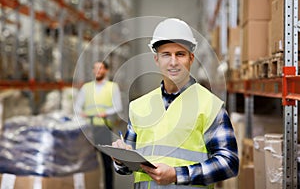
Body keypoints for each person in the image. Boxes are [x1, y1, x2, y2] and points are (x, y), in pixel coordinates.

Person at [112, 18, 239, 188]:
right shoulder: (139, 106)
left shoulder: (209, 106)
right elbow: (127, 168)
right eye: (166, 55)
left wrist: (177, 175)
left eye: (180, 54)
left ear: (191, 58)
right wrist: (121, 160)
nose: (173, 62)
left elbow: (229, 164)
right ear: (156, 59)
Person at [75, 61, 122, 189]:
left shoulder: (113, 87)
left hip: (104, 129)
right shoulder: (86, 87)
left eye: (100, 69)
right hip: (88, 129)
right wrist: (81, 113)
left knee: (106, 162)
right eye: (95, 68)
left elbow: (118, 107)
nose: (98, 71)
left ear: (106, 71)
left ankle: (108, 186)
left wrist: (104, 113)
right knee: (86, 161)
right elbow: (78, 105)